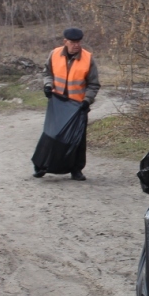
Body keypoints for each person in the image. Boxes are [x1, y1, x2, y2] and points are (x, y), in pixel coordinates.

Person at [35, 27, 100, 181]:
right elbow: (47, 73)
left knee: (77, 140)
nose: (76, 45)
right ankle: (41, 166)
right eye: (72, 42)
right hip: (57, 104)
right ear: (65, 42)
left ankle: (76, 170)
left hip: (78, 106)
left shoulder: (88, 59)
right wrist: (48, 85)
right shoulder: (54, 54)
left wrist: (87, 100)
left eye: (78, 42)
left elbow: (94, 84)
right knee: (51, 135)